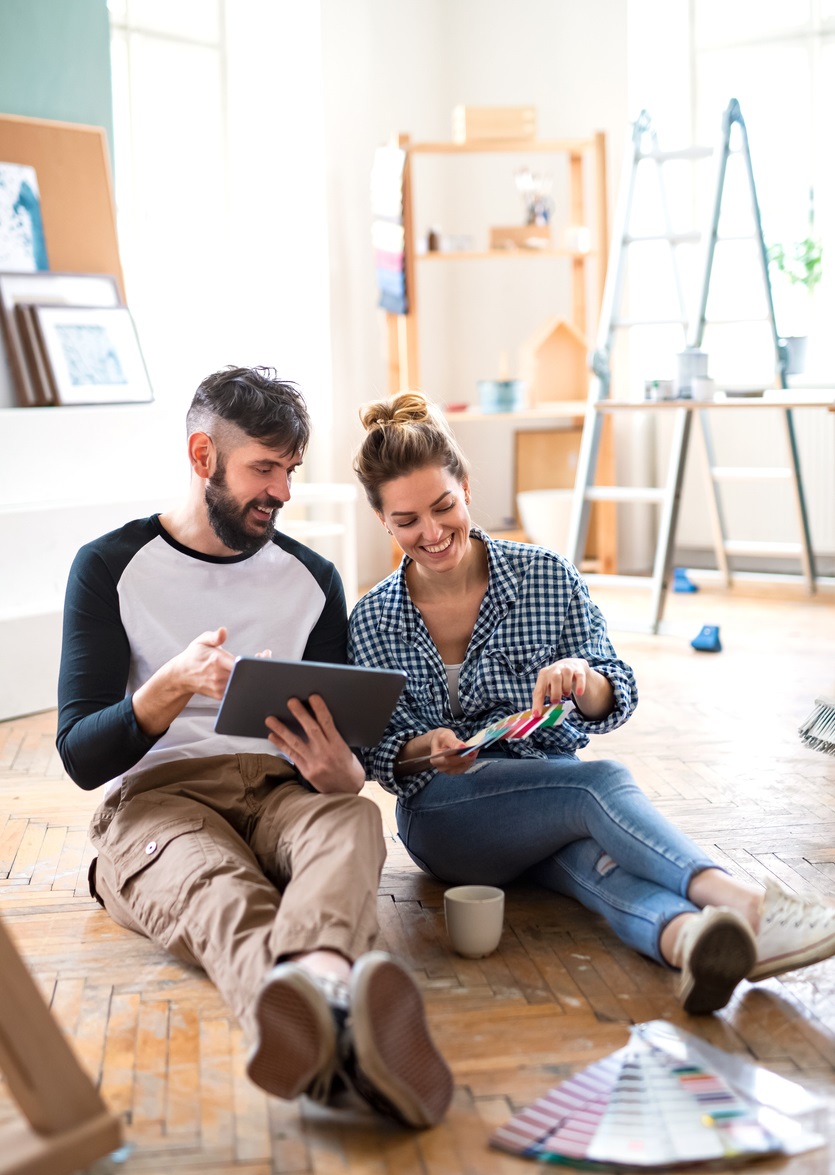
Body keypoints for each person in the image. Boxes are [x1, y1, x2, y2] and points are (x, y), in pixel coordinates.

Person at [348, 390, 835, 1015]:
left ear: (467, 486)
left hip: (547, 794)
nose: (432, 533)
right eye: (407, 521)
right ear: (384, 522)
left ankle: (689, 941)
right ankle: (750, 907)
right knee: (596, 785)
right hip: (447, 819)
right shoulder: (372, 620)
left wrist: (583, 678)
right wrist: (426, 748)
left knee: (592, 865)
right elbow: (380, 752)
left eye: (443, 507)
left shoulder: (546, 577)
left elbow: (617, 689)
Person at [56, 367, 452, 1129]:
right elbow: (80, 755)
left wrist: (342, 773)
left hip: (280, 787)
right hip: (160, 799)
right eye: (263, 469)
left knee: (352, 823)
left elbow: (338, 754)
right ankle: (343, 1024)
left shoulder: (312, 579)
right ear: (203, 455)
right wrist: (166, 687)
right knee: (221, 888)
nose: (282, 491)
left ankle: (321, 1007)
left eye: (290, 470)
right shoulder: (110, 567)